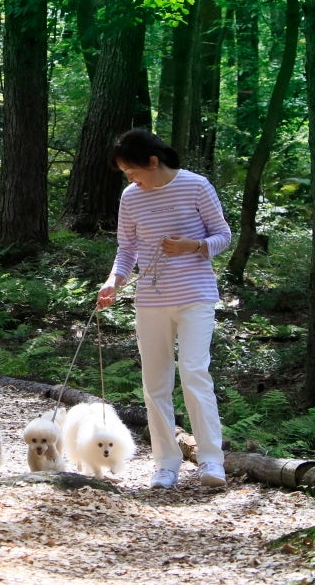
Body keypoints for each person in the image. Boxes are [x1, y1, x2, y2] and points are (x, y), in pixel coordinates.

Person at [97, 128, 232, 489]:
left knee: (193, 372)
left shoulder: (196, 185)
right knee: (154, 383)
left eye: (133, 170)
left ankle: (210, 461)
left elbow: (223, 235)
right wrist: (114, 280)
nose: (130, 178)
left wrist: (193, 245)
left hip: (195, 296)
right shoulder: (131, 197)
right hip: (151, 301)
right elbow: (127, 249)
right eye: (126, 173)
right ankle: (166, 463)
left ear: (153, 162)